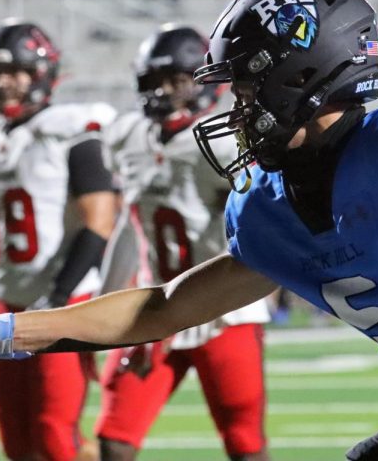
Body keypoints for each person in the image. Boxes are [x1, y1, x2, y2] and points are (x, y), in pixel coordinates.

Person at [0, 0, 378, 461]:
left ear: (301, 78)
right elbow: (163, 306)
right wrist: (1, 331)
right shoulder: (267, 209)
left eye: (247, 90)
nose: (238, 110)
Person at [0, 18, 118, 461]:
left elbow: (99, 220)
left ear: (41, 73)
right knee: (15, 436)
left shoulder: (72, 128)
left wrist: (58, 300)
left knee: (56, 433)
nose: (2, 83)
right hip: (2, 303)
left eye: (14, 71)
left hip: (60, 299)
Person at [97, 25, 270, 461]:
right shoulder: (127, 137)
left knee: (244, 443)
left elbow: (265, 224)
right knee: (115, 436)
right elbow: (130, 226)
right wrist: (105, 303)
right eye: (153, 81)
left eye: (176, 80)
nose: (163, 92)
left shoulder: (225, 139)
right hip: (156, 306)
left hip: (225, 308)